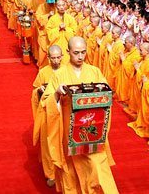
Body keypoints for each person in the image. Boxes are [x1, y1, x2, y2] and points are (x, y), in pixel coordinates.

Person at [41, 36, 118, 193]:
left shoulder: (94, 71)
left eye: (83, 52)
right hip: (69, 132)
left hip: (92, 131)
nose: (81, 56)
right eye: (76, 53)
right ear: (68, 52)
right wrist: (56, 94)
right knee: (70, 170)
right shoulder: (59, 74)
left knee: (98, 167)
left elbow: (107, 92)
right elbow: (46, 101)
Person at [31, 45, 63, 187]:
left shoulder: (66, 71)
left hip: (62, 112)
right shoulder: (43, 72)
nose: (56, 61)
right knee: (48, 144)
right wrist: (40, 90)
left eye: (58, 57)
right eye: (53, 58)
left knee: (61, 144)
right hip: (47, 113)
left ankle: (63, 171)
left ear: (62, 56)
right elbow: (34, 91)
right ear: (48, 58)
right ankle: (50, 173)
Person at [46, 0, 77, 66]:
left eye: (63, 5)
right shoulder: (52, 19)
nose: (62, 7)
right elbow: (49, 33)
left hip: (67, 46)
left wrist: (66, 28)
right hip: (56, 45)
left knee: (67, 65)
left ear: (66, 6)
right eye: (59, 6)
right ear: (56, 7)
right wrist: (58, 29)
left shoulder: (70, 18)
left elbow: (74, 33)